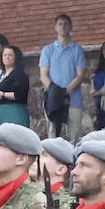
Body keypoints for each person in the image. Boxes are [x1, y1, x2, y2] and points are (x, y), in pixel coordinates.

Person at [39, 14, 89, 142]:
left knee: (74, 136)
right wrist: (56, 92)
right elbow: (43, 75)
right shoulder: (47, 50)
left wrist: (64, 92)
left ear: (70, 27)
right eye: (60, 24)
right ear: (55, 27)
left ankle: (74, 162)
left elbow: (80, 75)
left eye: (66, 23)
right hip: (52, 99)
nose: (63, 26)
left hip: (73, 98)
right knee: (52, 136)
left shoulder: (77, 49)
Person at [0, 47, 31, 126]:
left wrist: (2, 94)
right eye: (4, 55)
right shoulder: (1, 75)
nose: (7, 57)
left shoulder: (19, 74)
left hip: (14, 113)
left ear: (16, 58)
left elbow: (20, 95)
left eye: (10, 55)